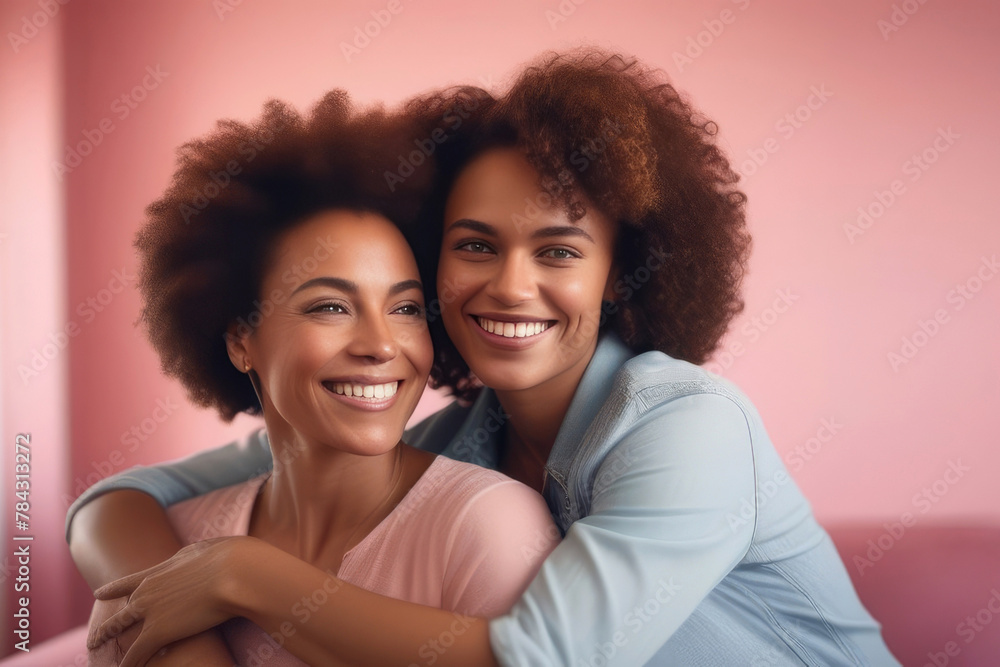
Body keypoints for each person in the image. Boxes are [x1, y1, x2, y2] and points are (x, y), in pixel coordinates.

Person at [75, 50, 899, 665]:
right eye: (475, 244)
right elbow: (120, 498)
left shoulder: (689, 426)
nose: (510, 286)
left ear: (619, 272)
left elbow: (540, 659)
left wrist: (240, 575)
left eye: (559, 251)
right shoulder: (451, 441)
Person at [68, 91, 559, 665]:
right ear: (239, 340)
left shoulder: (487, 527)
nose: (380, 346)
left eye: (405, 309)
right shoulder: (173, 542)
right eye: (330, 307)